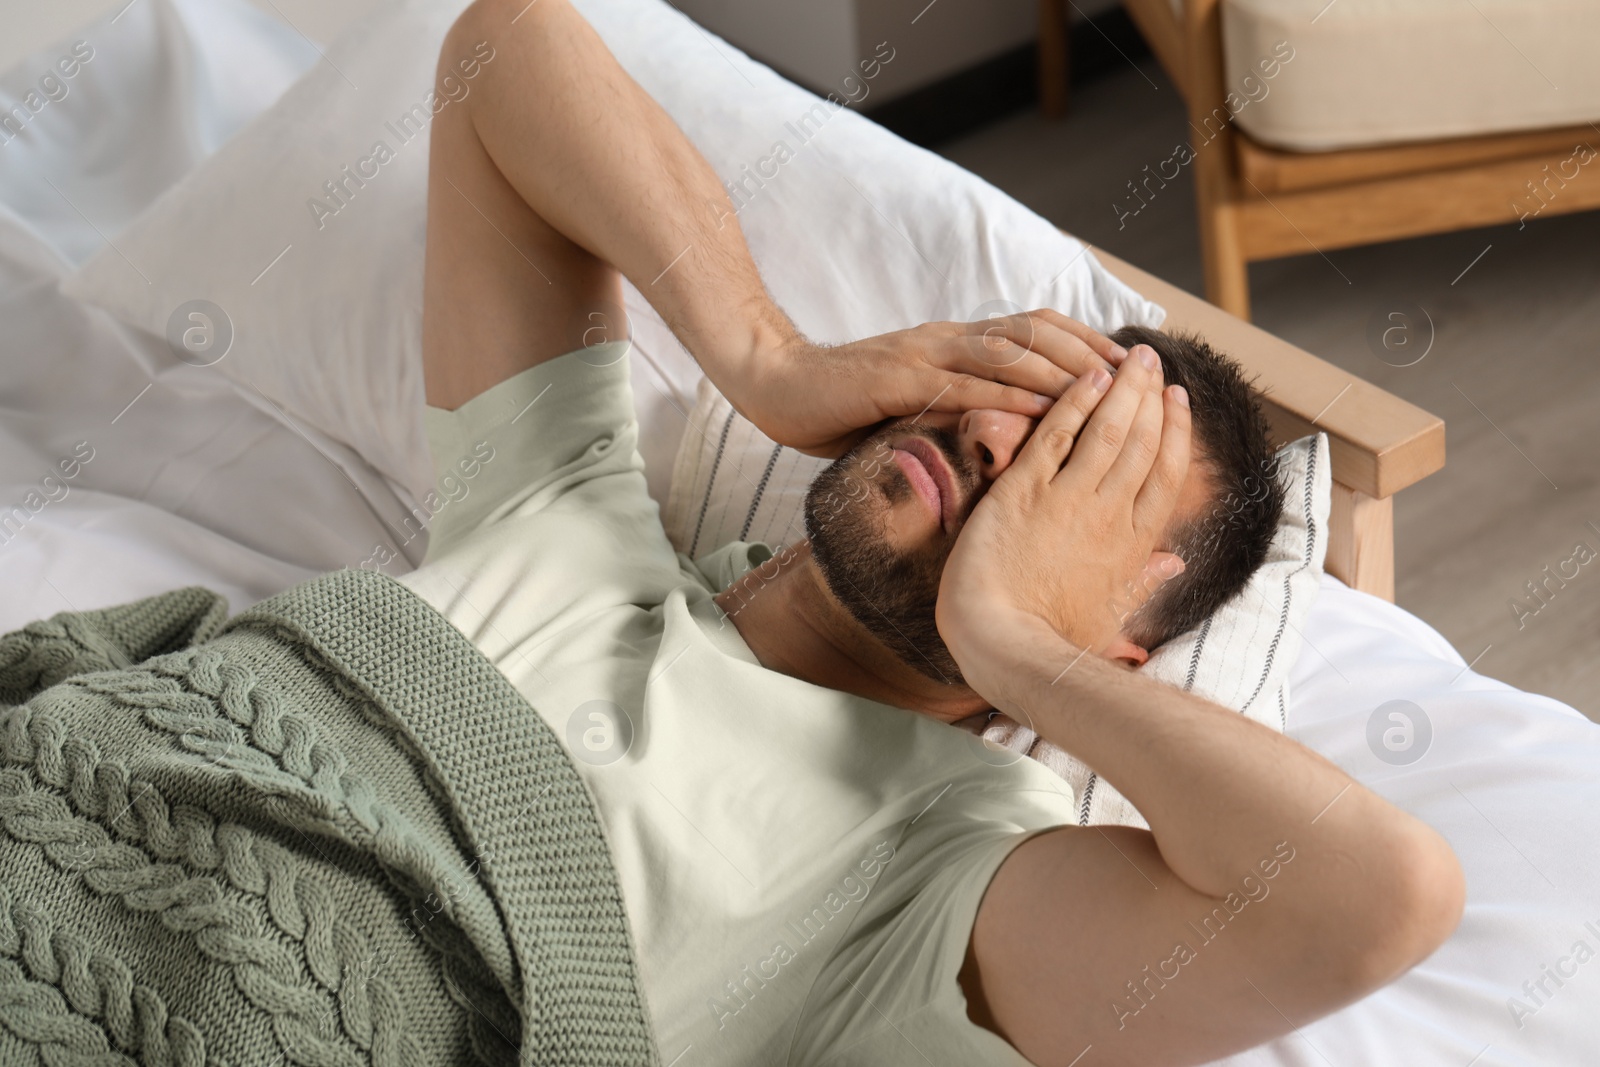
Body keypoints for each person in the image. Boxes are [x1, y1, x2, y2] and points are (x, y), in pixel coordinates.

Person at [401, 1, 1466, 1063]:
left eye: (1072, 470)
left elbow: (1376, 896)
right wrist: (771, 360)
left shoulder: (927, 867)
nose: (996, 434)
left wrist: (1013, 641)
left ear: (1116, 645)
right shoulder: (563, 507)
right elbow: (506, 46)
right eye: (1019, 387)